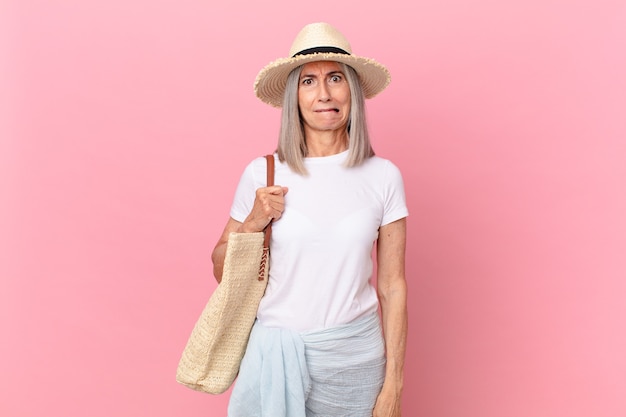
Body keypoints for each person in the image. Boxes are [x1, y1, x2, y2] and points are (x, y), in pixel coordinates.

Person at [211, 22, 408, 417]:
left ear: (351, 89)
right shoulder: (262, 173)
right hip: (275, 358)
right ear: (293, 97)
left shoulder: (383, 175)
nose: (324, 94)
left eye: (335, 78)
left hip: (356, 363)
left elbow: (392, 285)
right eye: (308, 82)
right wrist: (252, 224)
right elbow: (220, 269)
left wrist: (394, 385)